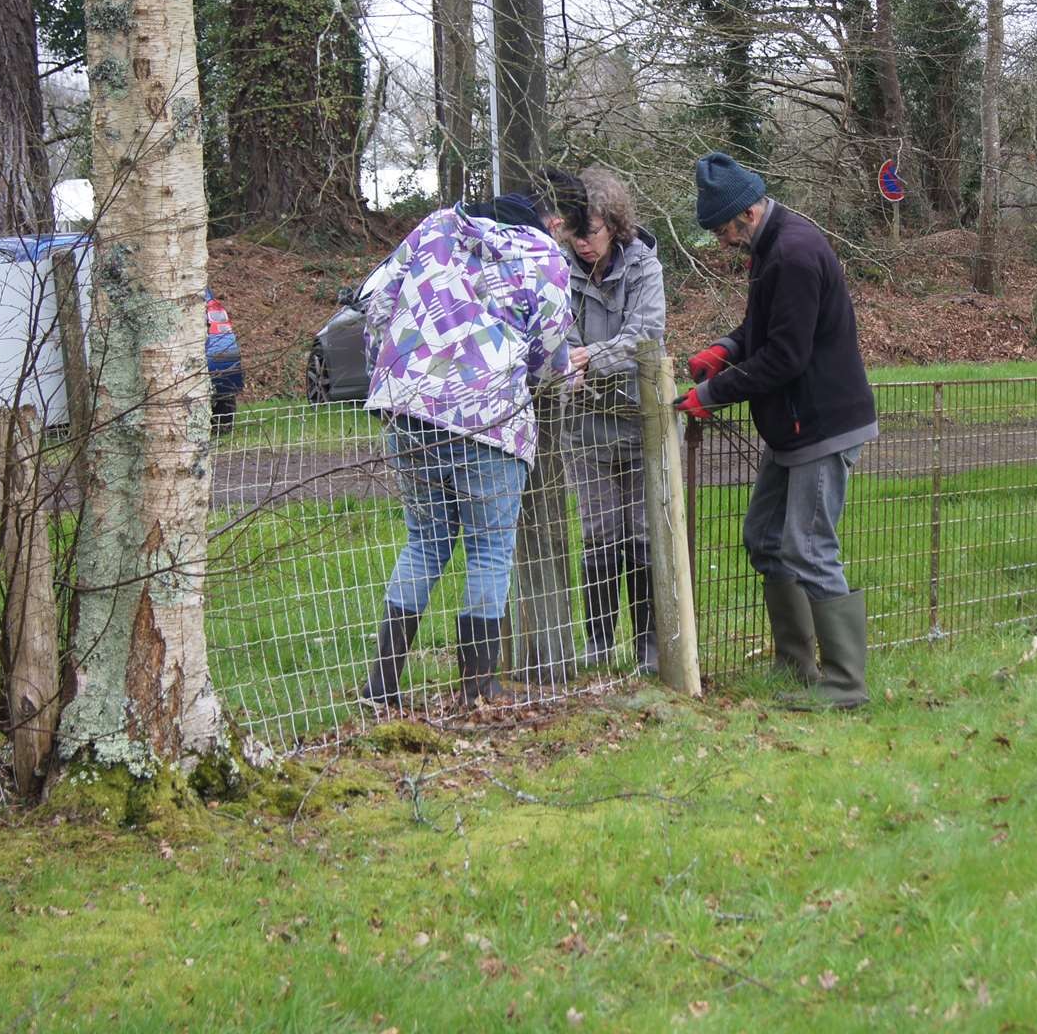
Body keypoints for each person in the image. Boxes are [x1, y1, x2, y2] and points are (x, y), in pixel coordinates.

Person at [358, 177, 575, 709]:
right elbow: (550, 348)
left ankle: (380, 686)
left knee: (424, 543)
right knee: (489, 550)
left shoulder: (434, 229)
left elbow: (377, 300)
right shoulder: (542, 255)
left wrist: (388, 371)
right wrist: (549, 376)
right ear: (540, 221)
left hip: (410, 408)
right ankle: (478, 688)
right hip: (490, 418)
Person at [677, 153, 878, 708]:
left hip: (821, 423)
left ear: (745, 213)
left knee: (808, 546)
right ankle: (796, 665)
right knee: (766, 539)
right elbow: (764, 330)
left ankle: (845, 685)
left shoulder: (792, 252)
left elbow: (786, 357)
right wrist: (726, 350)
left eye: (722, 231)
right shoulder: (770, 247)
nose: (722, 242)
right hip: (791, 427)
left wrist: (712, 394)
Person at [561, 166, 666, 674]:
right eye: (575, 233)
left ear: (616, 225)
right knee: (599, 533)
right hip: (585, 427)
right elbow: (554, 333)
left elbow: (646, 335)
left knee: (643, 534)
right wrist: (566, 359)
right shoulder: (559, 270)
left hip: (639, 420)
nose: (583, 244)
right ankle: (598, 645)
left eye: (593, 233)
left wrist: (591, 358)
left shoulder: (645, 266)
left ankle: (649, 648)